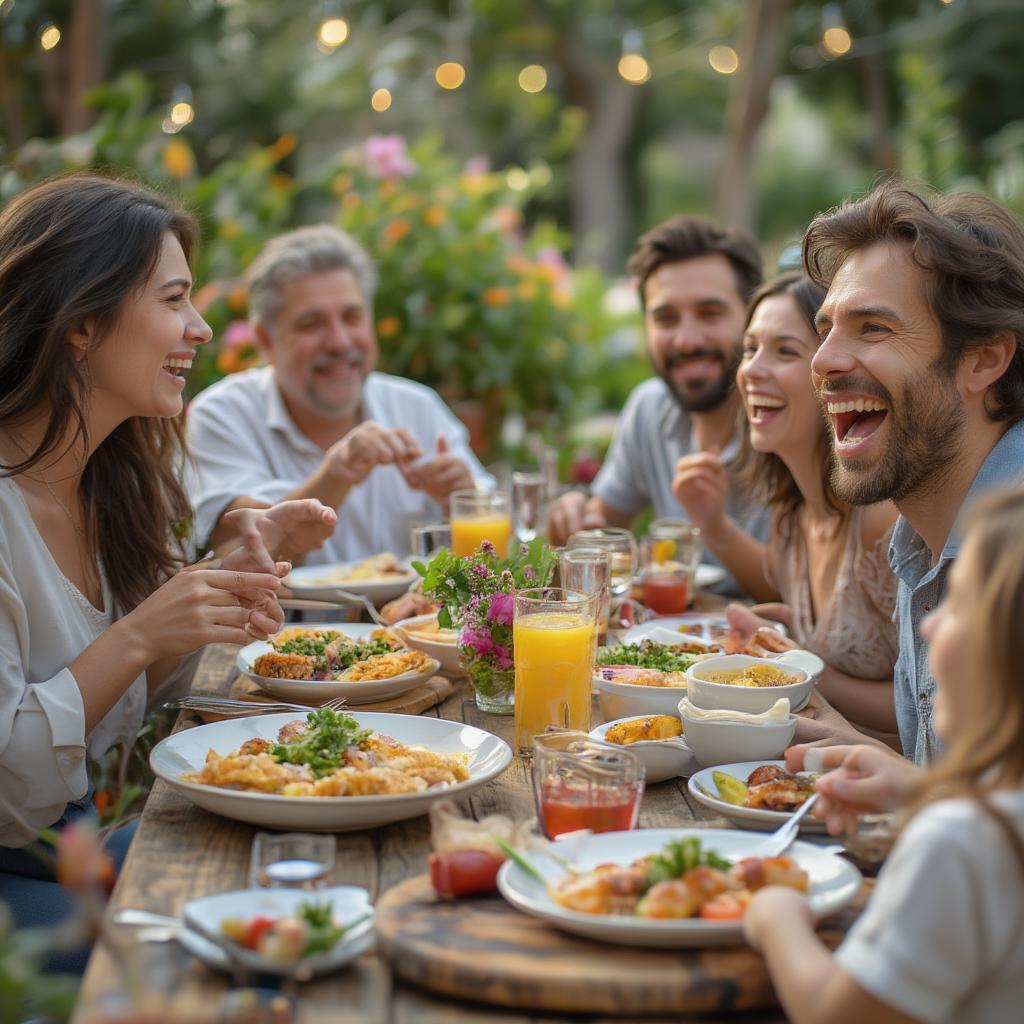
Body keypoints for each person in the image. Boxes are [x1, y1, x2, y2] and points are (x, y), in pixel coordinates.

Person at [0, 173, 334, 964]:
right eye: (174, 299)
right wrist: (144, 634)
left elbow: (118, 707)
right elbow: (10, 787)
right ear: (82, 324)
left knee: (308, 879)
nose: (202, 327)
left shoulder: (106, 486)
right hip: (19, 872)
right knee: (256, 952)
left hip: (66, 849)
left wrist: (220, 588)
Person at [744, 487, 1024, 1024]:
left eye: (959, 604)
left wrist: (775, 918)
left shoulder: (957, 844)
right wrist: (918, 788)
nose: (929, 625)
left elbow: (833, 1012)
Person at [800, 181, 1024, 764]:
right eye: (826, 328)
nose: (822, 360)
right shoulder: (920, 539)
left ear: (985, 359)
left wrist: (918, 800)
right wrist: (867, 755)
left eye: (873, 328)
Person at [186, 224, 492, 564]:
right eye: (312, 323)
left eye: (352, 317)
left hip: (413, 618)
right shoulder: (223, 414)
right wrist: (336, 473)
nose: (340, 341)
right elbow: (236, 544)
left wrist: (464, 501)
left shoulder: (416, 406)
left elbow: (501, 534)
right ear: (264, 341)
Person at [676, 272, 898, 739]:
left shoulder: (882, 519)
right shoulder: (791, 520)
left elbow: (928, 710)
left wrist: (794, 666)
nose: (752, 370)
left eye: (784, 351)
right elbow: (775, 585)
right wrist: (775, 638)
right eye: (750, 348)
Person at [545, 214, 770, 596]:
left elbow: (806, 596)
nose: (686, 340)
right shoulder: (650, 408)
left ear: (753, 318)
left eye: (709, 314)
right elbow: (601, 526)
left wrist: (716, 529)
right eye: (665, 318)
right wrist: (573, 519)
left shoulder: (795, 415)